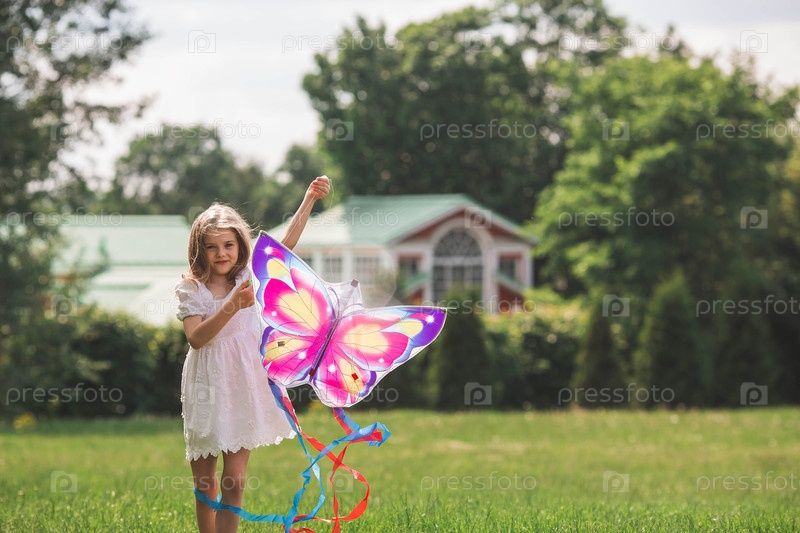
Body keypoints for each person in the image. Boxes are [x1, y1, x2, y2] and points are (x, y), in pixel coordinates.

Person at [175, 176, 331, 533]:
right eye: (212, 247)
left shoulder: (247, 277)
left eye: (228, 245)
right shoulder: (191, 288)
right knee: (205, 483)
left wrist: (309, 199)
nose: (222, 253)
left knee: (236, 478)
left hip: (244, 381)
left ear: (239, 244)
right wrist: (232, 305)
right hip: (207, 386)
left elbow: (285, 244)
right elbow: (196, 338)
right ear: (199, 250)